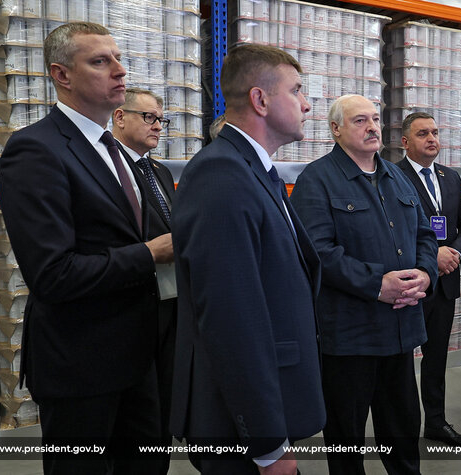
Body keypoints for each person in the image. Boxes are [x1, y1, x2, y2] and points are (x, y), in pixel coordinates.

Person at [0, 22, 172, 473]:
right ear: (62, 75)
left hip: (139, 359)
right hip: (81, 366)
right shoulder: (37, 150)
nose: (120, 70)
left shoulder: (117, 152)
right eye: (100, 61)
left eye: (118, 59)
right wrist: (151, 254)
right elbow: (53, 274)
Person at [170, 44, 325, 474]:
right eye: (296, 90)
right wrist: (268, 445)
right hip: (239, 427)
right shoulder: (221, 174)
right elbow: (231, 319)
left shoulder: (254, 171)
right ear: (260, 99)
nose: (306, 104)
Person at [290, 94, 438, 474]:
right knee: (346, 437)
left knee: (403, 430)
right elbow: (318, 252)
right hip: (350, 337)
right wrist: (377, 284)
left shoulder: (397, 177)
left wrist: (425, 273)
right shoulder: (316, 180)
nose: (372, 127)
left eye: (375, 119)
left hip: (399, 332)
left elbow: (424, 235)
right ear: (336, 129)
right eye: (360, 120)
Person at [396, 112, 461, 446]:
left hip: (444, 284)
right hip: (410, 284)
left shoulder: (450, 177)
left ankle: (435, 422)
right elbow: (393, 232)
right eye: (422, 134)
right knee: (400, 363)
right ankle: (402, 429)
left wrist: (454, 252)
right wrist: (433, 256)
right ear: (405, 142)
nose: (432, 139)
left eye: (434, 132)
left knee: (436, 358)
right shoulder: (391, 176)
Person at [111, 86, 176, 473]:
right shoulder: (110, 170)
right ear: (120, 117)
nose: (158, 126)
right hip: (129, 305)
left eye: (161, 120)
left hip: (166, 307)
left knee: (159, 418)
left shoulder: (159, 171)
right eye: (149, 117)